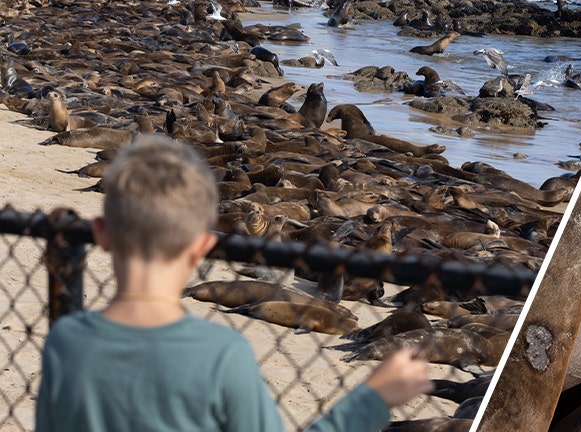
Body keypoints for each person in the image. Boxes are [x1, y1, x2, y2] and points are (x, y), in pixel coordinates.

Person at [35, 134, 434, 431]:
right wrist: (374, 397)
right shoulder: (221, 355)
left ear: (101, 233)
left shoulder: (66, 342)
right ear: (205, 246)